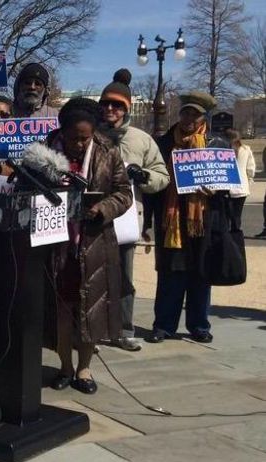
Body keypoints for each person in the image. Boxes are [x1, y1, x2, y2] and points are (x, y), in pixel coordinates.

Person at [43, 98, 132, 394]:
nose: (80, 144)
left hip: (94, 242)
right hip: (55, 243)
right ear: (62, 132)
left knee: (90, 309)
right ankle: (64, 367)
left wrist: (103, 208)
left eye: (85, 138)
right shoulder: (42, 153)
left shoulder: (108, 152)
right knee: (61, 310)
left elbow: (123, 193)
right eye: (73, 138)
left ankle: (84, 367)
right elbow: (25, 189)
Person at [144, 91, 228, 344]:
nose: (189, 117)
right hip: (171, 219)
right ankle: (164, 325)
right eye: (186, 112)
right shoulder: (164, 143)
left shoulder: (217, 144)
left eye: (195, 113)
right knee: (171, 273)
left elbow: (228, 185)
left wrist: (216, 190)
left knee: (202, 274)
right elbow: (154, 185)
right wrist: (146, 221)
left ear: (205, 117)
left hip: (204, 218)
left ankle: (199, 324)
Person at [99, 69, 170, 352]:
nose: (111, 110)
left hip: (126, 219)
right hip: (93, 217)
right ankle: (92, 331)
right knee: (90, 276)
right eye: (106, 104)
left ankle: (122, 329)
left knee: (123, 279)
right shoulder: (87, 134)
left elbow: (162, 176)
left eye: (117, 105)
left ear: (126, 109)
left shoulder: (141, 140)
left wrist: (145, 177)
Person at [224, 128, 255, 219]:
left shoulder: (222, 151)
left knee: (226, 217)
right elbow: (250, 169)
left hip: (226, 188)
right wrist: (249, 180)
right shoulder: (246, 149)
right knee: (237, 216)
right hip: (241, 188)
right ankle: (236, 232)